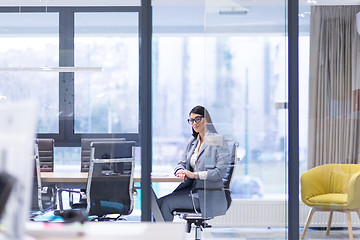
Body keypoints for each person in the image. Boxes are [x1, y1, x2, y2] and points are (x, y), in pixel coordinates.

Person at [157, 105, 230, 222]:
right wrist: (180, 170)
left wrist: (194, 175)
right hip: (191, 190)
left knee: (166, 204)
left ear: (207, 119)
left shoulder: (218, 141)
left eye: (197, 119)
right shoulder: (192, 141)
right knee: (157, 203)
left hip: (207, 195)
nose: (194, 123)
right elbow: (181, 163)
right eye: (191, 120)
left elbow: (219, 172)